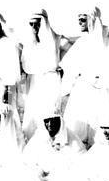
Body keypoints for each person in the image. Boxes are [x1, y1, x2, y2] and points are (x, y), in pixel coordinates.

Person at [60, 6, 109, 147]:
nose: (80, 23)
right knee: (78, 128)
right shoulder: (81, 42)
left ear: (91, 20)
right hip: (81, 90)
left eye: (82, 19)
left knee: (99, 128)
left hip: (101, 91)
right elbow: (69, 66)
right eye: (79, 20)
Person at [19, 9, 72, 141]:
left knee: (49, 113)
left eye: (37, 23)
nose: (34, 27)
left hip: (51, 82)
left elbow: (73, 52)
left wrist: (63, 67)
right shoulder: (29, 43)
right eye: (31, 24)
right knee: (33, 113)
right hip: (34, 83)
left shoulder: (58, 39)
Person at [22, 111, 86, 177]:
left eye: (52, 121)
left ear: (59, 121)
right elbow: (27, 158)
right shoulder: (40, 135)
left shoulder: (71, 137)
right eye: (46, 121)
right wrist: (38, 171)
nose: (49, 124)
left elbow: (81, 161)